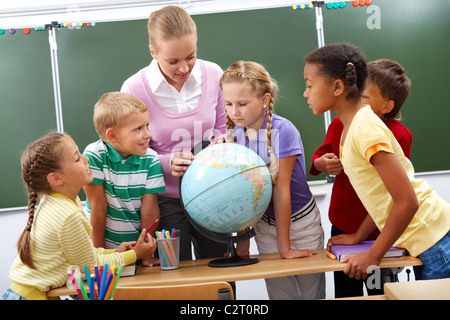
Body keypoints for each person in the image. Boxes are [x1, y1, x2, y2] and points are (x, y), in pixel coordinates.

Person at [303, 43, 450, 281]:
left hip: (433, 237)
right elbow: (384, 195)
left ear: (338, 87)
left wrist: (373, 254)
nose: (305, 93)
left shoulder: (365, 129)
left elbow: (407, 201)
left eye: (310, 85)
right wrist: (359, 236)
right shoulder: (351, 127)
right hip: (427, 238)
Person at [120, 5, 227, 261]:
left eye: (190, 56)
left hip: (213, 191)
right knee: (174, 272)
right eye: (173, 61)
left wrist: (221, 141)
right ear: (153, 52)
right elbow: (128, 151)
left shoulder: (213, 74)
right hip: (164, 200)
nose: (184, 68)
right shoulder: (133, 88)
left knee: (220, 269)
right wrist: (166, 162)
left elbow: (224, 127)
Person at [2, 133, 156, 300]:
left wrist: (114, 252)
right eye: (77, 159)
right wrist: (135, 255)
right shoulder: (67, 215)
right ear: (56, 178)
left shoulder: (60, 202)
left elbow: (86, 256)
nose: (86, 159)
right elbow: (90, 267)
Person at [220, 60, 325, 300]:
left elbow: (281, 190)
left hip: (300, 225)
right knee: (280, 295)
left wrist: (285, 248)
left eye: (242, 104)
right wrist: (243, 242)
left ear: (265, 100)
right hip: (264, 226)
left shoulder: (284, 130)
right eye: (228, 104)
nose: (234, 111)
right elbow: (243, 192)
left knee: (311, 294)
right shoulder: (234, 135)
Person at [310, 59, 413, 297]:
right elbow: (317, 156)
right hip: (343, 226)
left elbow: (396, 193)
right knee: (347, 291)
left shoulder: (399, 135)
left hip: (380, 233)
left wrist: (367, 238)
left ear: (387, 106)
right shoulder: (340, 123)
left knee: (380, 290)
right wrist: (321, 163)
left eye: (363, 96)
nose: (355, 100)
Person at [83, 92, 165, 267]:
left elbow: (149, 211)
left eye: (147, 126)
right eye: (138, 129)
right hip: (107, 249)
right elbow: (98, 208)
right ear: (113, 136)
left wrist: (145, 253)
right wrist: (100, 255)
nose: (148, 134)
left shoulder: (151, 159)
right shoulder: (94, 155)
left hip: (138, 248)